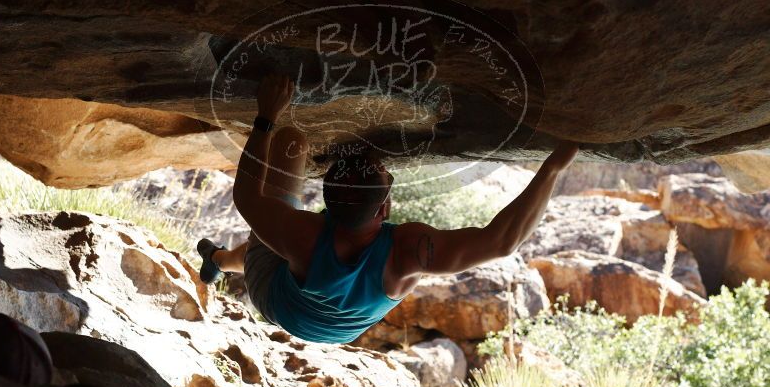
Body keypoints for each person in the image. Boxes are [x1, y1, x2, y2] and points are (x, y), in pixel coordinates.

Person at [197, 74, 579, 344]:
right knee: (277, 243)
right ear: (384, 210)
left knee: (291, 142)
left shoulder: (304, 236)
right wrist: (554, 167)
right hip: (339, 330)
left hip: (280, 301)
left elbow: (248, 198)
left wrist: (267, 116)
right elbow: (502, 241)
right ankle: (216, 261)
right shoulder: (405, 252)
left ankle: (217, 259)